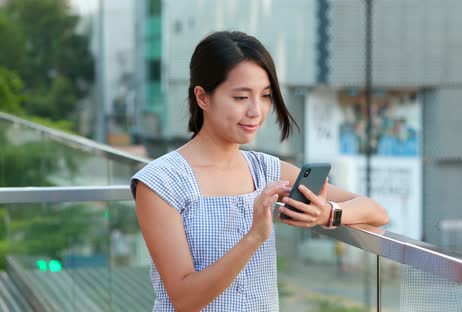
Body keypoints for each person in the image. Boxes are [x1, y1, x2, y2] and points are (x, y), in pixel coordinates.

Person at [131, 31, 389, 312]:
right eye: (241, 97)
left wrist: (325, 213)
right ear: (203, 97)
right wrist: (254, 236)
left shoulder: (265, 168)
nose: (257, 111)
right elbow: (184, 299)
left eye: (265, 96)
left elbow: (376, 212)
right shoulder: (161, 182)